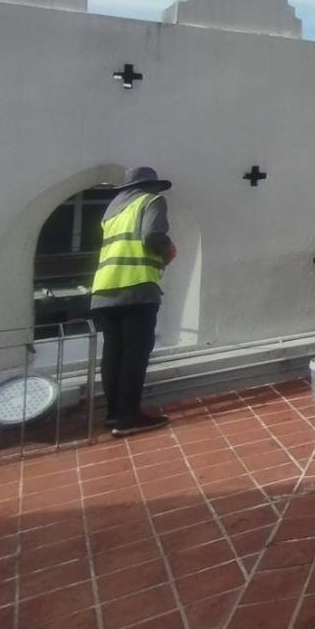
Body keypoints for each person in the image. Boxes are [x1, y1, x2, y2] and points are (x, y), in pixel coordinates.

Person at [89, 165, 176, 437]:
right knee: (135, 354)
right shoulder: (151, 201)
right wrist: (168, 250)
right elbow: (152, 236)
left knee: (113, 353)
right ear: (151, 186)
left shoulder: (112, 210)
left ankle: (114, 413)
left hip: (104, 289)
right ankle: (129, 416)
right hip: (136, 287)